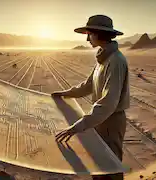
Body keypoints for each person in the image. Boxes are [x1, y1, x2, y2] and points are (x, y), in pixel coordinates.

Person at [52, 15, 129, 180]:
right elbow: (88, 85)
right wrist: (65, 93)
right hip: (100, 119)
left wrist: (79, 125)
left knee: (110, 167)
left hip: (111, 120)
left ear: (100, 34)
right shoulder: (103, 58)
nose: (87, 39)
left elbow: (109, 103)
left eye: (90, 34)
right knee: (98, 165)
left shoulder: (115, 61)